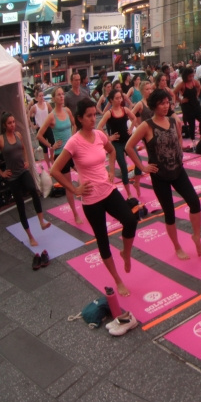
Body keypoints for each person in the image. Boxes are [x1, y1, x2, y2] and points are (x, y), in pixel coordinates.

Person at [50, 99, 139, 313]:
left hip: (108, 190)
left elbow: (111, 151)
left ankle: (126, 254)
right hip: (91, 199)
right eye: (89, 116)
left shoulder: (99, 135)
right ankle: (117, 279)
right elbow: (55, 169)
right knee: (103, 240)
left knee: (130, 219)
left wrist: (110, 170)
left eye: (94, 115)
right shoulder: (73, 142)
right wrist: (74, 189)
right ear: (79, 119)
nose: (93, 119)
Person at [126, 89, 201, 260]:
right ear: (154, 106)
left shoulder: (171, 120)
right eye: (162, 103)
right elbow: (129, 146)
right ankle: (177, 247)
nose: (166, 106)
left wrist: (179, 153)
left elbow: (177, 138)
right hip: (159, 175)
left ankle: (196, 236)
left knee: (194, 202)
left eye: (167, 102)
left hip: (178, 170)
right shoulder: (146, 125)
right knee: (169, 213)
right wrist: (142, 166)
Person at [0, 112, 51, 252]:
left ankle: (41, 221)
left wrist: (27, 161)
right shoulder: (0, 140)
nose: (12, 125)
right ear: (4, 125)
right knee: (20, 205)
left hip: (23, 171)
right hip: (12, 177)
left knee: (34, 190)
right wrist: (1, 173)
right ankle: (30, 236)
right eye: (10, 123)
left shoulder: (18, 135)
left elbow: (23, 148)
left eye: (13, 122)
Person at [37, 88, 81, 223]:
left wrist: (73, 137)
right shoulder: (52, 116)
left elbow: (74, 124)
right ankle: (75, 214)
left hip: (72, 151)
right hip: (61, 154)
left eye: (63, 94)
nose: (62, 97)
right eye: (59, 95)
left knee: (84, 174)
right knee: (68, 185)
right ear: (54, 98)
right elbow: (39, 135)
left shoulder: (67, 111)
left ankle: (89, 202)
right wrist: (51, 146)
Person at [96, 90, 141, 200]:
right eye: (117, 98)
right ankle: (129, 194)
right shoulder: (109, 113)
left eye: (120, 98)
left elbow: (134, 118)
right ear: (111, 100)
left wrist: (131, 129)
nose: (119, 100)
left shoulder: (125, 110)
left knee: (138, 163)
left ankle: (137, 183)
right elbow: (99, 127)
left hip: (128, 142)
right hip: (117, 144)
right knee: (124, 170)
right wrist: (109, 137)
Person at [175, 68, 201, 140]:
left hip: (195, 103)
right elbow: (174, 92)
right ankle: (193, 140)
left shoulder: (194, 82)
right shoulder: (182, 84)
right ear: (186, 76)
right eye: (190, 76)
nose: (191, 78)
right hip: (187, 106)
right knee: (191, 124)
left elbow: (199, 87)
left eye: (192, 76)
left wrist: (197, 94)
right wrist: (180, 100)